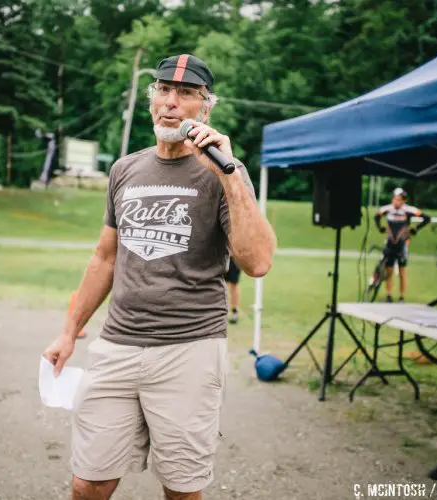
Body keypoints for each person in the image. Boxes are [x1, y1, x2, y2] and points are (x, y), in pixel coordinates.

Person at [42, 53, 276, 500]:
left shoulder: (225, 172)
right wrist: (69, 332)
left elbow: (258, 261)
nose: (171, 102)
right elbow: (104, 259)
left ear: (205, 108)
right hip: (117, 346)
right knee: (88, 481)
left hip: (189, 350)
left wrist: (227, 175)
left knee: (182, 489)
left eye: (186, 94)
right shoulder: (125, 169)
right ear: (152, 100)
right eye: (163, 90)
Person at [374, 187, 430, 302]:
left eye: (399, 200)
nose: (396, 202)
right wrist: (380, 228)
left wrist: (416, 229)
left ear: (404, 201)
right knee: (389, 271)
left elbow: (426, 218)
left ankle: (402, 296)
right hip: (390, 244)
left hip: (402, 244)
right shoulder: (387, 209)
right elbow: (376, 216)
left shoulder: (409, 210)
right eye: (395, 199)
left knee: (402, 271)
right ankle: (388, 295)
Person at [224, 256, 241, 324]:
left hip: (234, 258)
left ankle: (234, 312)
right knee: (222, 285)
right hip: (222, 256)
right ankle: (224, 312)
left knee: (234, 285)